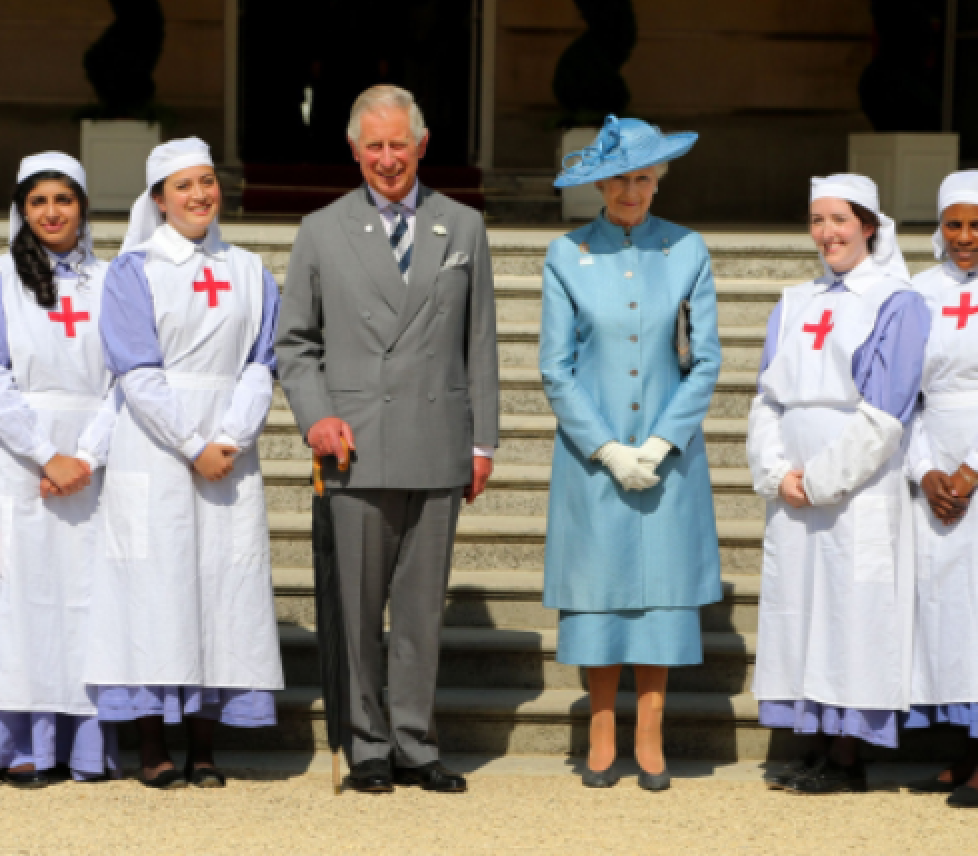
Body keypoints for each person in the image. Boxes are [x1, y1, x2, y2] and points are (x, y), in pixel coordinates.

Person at [276, 85, 499, 794]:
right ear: (353, 149)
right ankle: (366, 742)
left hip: (437, 441)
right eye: (373, 146)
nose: (386, 158)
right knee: (357, 608)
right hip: (357, 446)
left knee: (418, 611)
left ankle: (414, 740)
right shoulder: (320, 229)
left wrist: (483, 440)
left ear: (422, 144)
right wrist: (315, 417)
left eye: (397, 143)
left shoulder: (461, 226)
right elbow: (295, 343)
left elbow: (481, 342)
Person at [83, 138, 284, 790]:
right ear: (159, 200)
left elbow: (262, 362)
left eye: (207, 182)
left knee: (219, 590)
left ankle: (204, 744)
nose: (200, 195)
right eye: (183, 186)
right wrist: (192, 443)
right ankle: (151, 743)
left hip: (230, 451)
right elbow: (136, 371)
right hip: (157, 447)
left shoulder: (252, 269)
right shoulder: (133, 270)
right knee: (155, 591)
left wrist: (230, 435)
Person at [541, 115, 723, 791]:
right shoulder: (566, 254)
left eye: (644, 177)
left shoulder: (687, 249)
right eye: (620, 177)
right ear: (600, 184)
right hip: (594, 455)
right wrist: (609, 448)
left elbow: (705, 360)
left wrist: (662, 439)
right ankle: (601, 723)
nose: (632, 190)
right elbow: (555, 367)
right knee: (601, 591)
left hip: (668, 453)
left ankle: (649, 725)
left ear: (657, 182)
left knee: (660, 593)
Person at [748, 174, 930, 794]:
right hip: (795, 488)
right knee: (802, 613)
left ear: (869, 226)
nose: (826, 233)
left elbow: (887, 410)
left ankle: (849, 755)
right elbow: (766, 397)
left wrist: (822, 479)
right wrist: (777, 473)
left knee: (851, 615)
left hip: (856, 487)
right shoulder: (793, 301)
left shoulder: (895, 301)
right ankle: (815, 744)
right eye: (817, 220)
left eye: (839, 221)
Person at [0, 152, 120, 786]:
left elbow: (127, 378)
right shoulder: (0, 279)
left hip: (94, 460)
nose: (51, 211)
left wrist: (86, 455)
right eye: (38, 200)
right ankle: (22, 742)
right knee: (22, 599)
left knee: (88, 600)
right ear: (23, 209)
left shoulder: (112, 282)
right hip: (19, 457)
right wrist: (47, 455)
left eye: (63, 199)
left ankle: (87, 745)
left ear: (82, 206)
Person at [903, 170, 978, 808]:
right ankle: (965, 749)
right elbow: (907, 394)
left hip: (976, 467)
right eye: (954, 223)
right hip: (936, 471)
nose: (964, 236)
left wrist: (972, 470)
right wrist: (927, 470)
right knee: (951, 614)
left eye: (977, 224)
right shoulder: (918, 291)